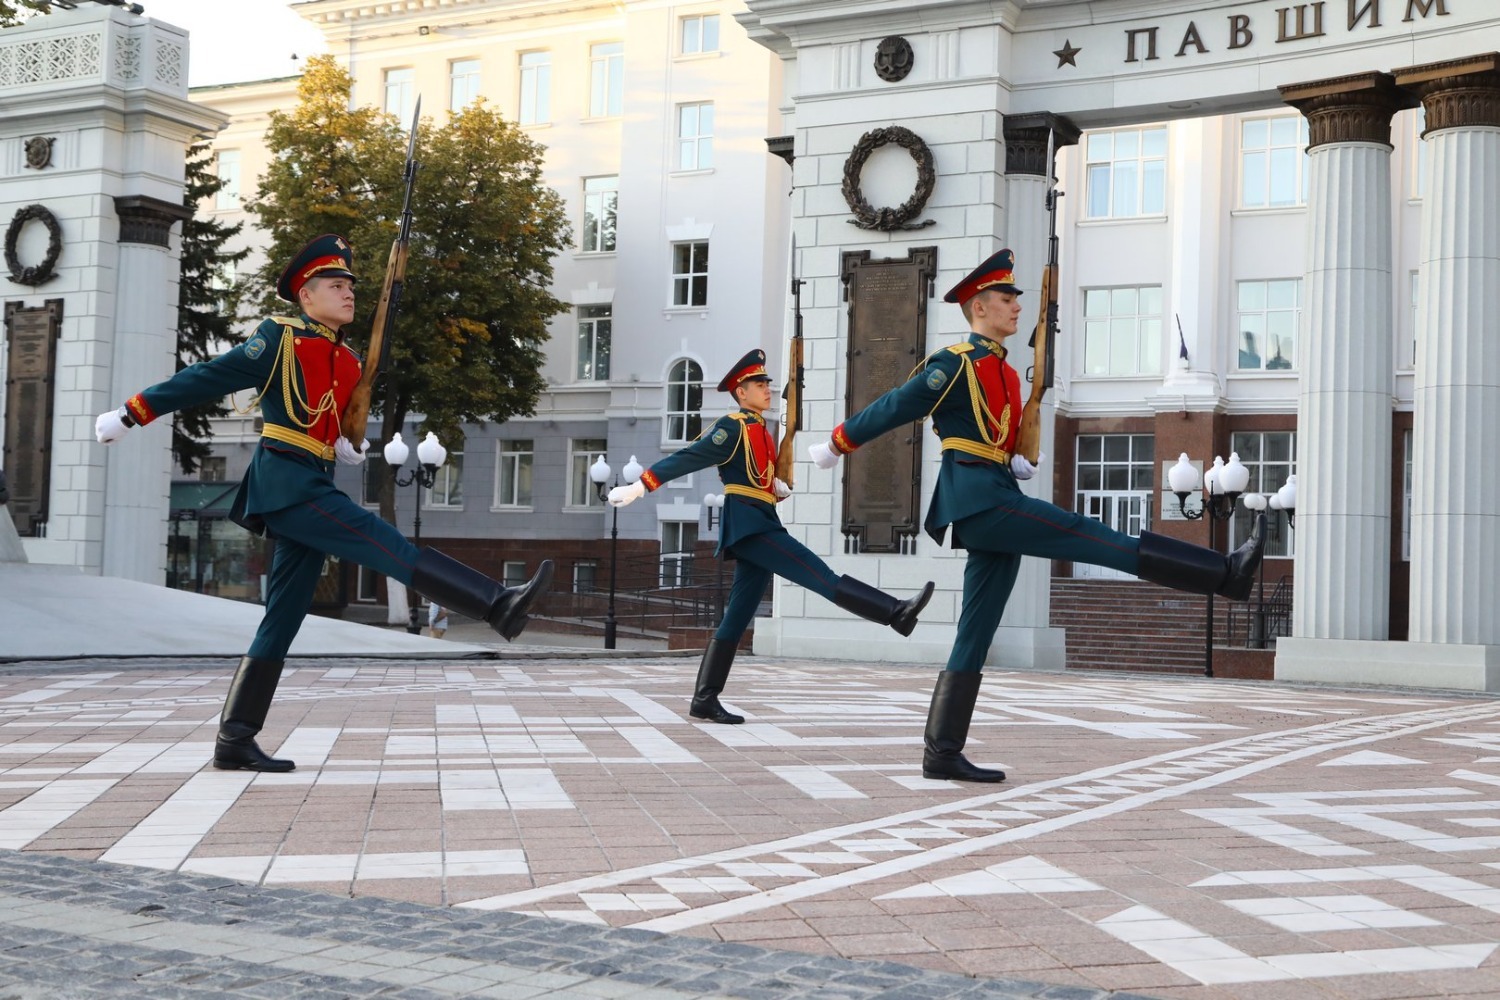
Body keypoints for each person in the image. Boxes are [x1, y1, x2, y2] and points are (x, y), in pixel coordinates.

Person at [95, 234, 554, 773]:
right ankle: (495, 603)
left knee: (282, 617)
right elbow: (207, 377)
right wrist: (132, 412)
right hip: (287, 484)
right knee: (383, 543)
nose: (348, 294)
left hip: (315, 479)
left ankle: (234, 738)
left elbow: (332, 421)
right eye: (335, 286)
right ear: (305, 296)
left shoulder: (351, 359)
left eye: (350, 286)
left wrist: (347, 444)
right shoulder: (279, 339)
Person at [808, 248, 1266, 783]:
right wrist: (837, 444)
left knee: (976, 628)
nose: (1016, 308)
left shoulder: (1002, 369)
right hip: (979, 499)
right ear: (979, 307)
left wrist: (1017, 459)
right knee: (1087, 533)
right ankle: (1222, 574)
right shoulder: (954, 363)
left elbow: (995, 434)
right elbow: (894, 406)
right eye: (1006, 299)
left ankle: (941, 751)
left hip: (994, 489)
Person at [608, 349, 936, 725]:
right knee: (818, 575)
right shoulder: (732, 426)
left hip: (760, 519)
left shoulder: (760, 429)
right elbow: (692, 456)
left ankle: (704, 698)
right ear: (740, 392)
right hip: (751, 526)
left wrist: (772, 486)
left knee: (737, 615)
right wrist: (642, 485)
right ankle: (894, 612)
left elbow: (753, 476)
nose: (766, 389)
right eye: (758, 384)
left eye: (766, 383)